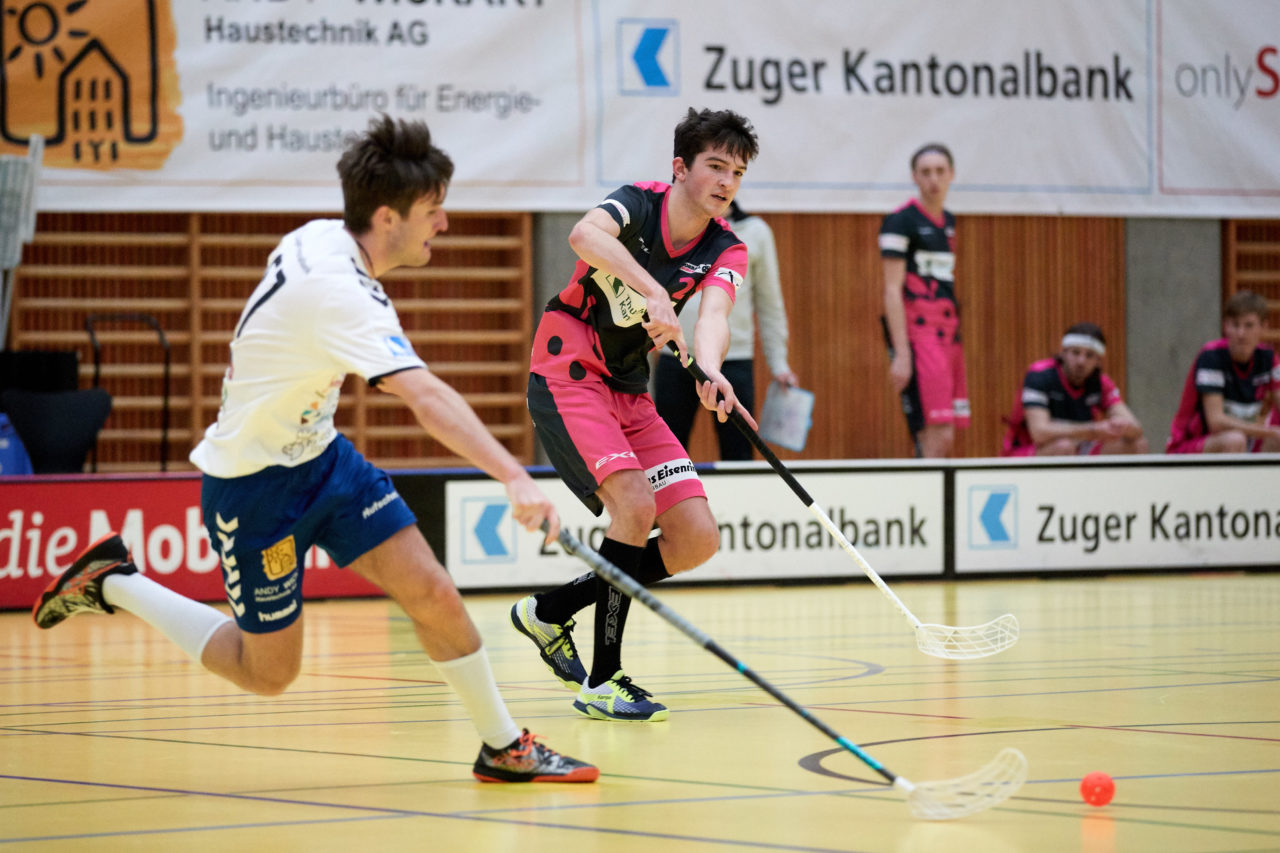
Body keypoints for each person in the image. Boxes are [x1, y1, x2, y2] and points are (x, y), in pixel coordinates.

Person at [31, 115, 597, 784]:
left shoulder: (322, 237)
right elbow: (426, 399)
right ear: (386, 217)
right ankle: (118, 583)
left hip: (324, 460)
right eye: (432, 211)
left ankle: (503, 746)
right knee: (268, 671)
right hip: (254, 487)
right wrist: (513, 475)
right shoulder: (342, 296)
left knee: (433, 592)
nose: (443, 224)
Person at [515, 107, 759, 722]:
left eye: (737, 172)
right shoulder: (637, 204)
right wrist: (651, 289)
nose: (727, 182)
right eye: (715, 166)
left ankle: (549, 612)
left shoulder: (728, 247)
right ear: (681, 168)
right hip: (568, 370)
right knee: (635, 507)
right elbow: (583, 237)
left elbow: (713, 317)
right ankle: (604, 678)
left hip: (628, 388)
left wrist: (709, 372)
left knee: (696, 538)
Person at [653, 200, 797, 460]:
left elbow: (769, 304)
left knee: (738, 453)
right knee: (667, 456)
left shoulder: (755, 232)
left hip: (734, 361)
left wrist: (779, 364)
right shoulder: (673, 227)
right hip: (674, 356)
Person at [879, 142, 968, 458]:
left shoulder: (950, 222)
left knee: (949, 433)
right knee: (935, 434)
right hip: (920, 335)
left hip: (949, 334)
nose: (934, 179)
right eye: (926, 172)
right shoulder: (900, 221)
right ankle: (929, 506)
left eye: (940, 171)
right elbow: (892, 290)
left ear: (952, 175)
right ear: (914, 177)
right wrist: (902, 353)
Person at [1001, 323, 1148, 456]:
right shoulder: (1039, 375)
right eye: (1076, 352)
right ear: (1063, 352)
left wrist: (1121, 426)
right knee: (1063, 447)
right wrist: (1093, 430)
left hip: (1077, 446)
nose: (1081, 361)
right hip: (1027, 449)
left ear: (1098, 361)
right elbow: (1039, 433)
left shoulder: (1101, 382)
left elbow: (1136, 429)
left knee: (1138, 445)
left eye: (1089, 355)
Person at [1167, 290, 1280, 454]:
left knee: (1275, 440)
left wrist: (1272, 433)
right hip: (1190, 446)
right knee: (1234, 440)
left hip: (1245, 442)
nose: (1241, 334)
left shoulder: (1269, 358)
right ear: (1225, 326)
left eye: (1248, 325)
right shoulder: (1211, 357)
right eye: (1235, 325)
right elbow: (1216, 422)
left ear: (1263, 327)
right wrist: (1268, 431)